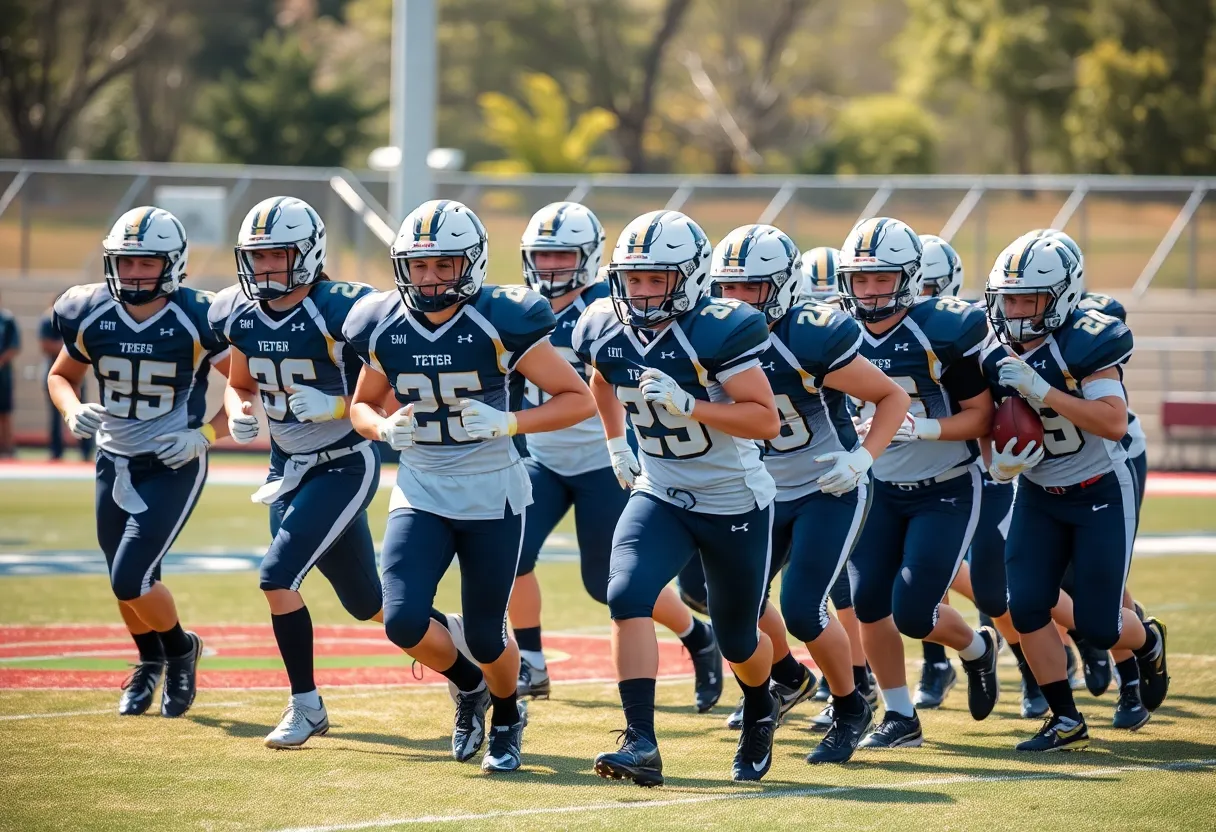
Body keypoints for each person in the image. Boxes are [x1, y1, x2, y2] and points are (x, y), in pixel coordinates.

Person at [345, 199, 595, 774]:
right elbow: (362, 402)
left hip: (492, 490)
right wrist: (380, 426)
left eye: (444, 265)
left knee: (485, 635)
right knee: (402, 620)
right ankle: (468, 687)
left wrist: (512, 421)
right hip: (423, 487)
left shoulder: (501, 319)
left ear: (472, 264)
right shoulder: (381, 322)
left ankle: (507, 713)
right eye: (419, 266)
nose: (429, 279)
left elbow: (577, 398)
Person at [574, 209, 781, 786]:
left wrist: (692, 404)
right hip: (660, 491)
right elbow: (601, 376)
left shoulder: (719, 329)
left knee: (740, 637)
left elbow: (765, 420)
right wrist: (616, 444)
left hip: (732, 500)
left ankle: (761, 705)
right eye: (633, 279)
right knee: (626, 593)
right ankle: (640, 738)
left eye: (655, 279)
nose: (640, 292)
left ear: (688, 278)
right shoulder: (603, 327)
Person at [707, 224, 909, 764]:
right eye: (727, 288)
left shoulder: (811, 334)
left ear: (784, 285)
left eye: (751, 288)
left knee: (802, 607)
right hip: (759, 489)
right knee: (733, 604)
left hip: (828, 485)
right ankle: (787, 681)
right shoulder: (707, 332)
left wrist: (863, 457)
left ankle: (849, 705)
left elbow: (892, 396)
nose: (736, 300)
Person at [510, 202, 724, 710]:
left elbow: (607, 383)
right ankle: (533, 663)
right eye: (541, 254)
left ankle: (697, 636)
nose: (550, 266)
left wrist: (617, 444)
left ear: (588, 257)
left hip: (603, 460)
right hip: (543, 456)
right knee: (510, 554)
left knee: (603, 585)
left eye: (562, 254)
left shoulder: (616, 307)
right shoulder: (515, 309)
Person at [209, 196, 388, 750]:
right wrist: (240, 409)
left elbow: (394, 388)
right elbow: (240, 383)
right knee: (371, 605)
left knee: (276, 576)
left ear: (309, 254)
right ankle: (461, 663)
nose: (266, 269)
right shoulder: (238, 311)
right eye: (257, 257)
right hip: (287, 466)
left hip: (344, 462)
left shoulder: (343, 311)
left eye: (279, 255)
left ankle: (305, 705)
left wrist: (335, 406)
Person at [982, 233, 1168, 750]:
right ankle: (1066, 719)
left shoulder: (1087, 340)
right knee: (1027, 607)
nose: (1015, 310)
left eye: (1028, 299)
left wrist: (1042, 391)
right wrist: (994, 465)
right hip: (1040, 490)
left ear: (1062, 295)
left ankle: (1148, 640)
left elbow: (1111, 422)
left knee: (1101, 626)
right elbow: (983, 418)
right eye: (1008, 298)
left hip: (1101, 484)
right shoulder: (991, 346)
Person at [47, 206, 228, 718]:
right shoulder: (88, 309)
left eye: (145, 263)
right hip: (114, 456)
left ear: (172, 263)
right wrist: (72, 408)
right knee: (122, 580)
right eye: (124, 263)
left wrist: (205, 433)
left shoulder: (197, 314)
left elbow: (246, 384)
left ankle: (179, 649)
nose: (132, 274)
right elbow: (61, 376)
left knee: (132, 578)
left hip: (172, 459)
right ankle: (150, 660)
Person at [836, 217, 1000, 749]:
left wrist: (921, 426)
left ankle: (976, 648)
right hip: (876, 487)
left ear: (909, 277)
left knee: (913, 613)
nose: (868, 290)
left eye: (881, 278)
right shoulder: (837, 332)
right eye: (859, 280)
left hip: (945, 485)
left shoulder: (940, 331)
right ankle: (900, 715)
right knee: (868, 606)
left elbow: (982, 417)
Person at [0, 294, 19, 457]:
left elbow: (14, 346)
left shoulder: (7, 319)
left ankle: (7, 447)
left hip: (3, 374)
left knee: (5, 412)